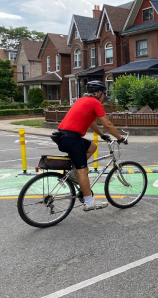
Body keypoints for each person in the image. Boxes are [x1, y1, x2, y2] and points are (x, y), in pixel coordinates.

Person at [52, 80, 126, 211]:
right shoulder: (95, 102)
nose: (104, 97)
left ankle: (74, 173)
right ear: (98, 93)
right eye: (104, 94)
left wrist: (102, 136)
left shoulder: (81, 100)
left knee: (92, 147)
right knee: (83, 171)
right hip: (72, 138)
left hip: (63, 136)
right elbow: (107, 123)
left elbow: (91, 122)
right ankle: (89, 202)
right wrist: (120, 138)